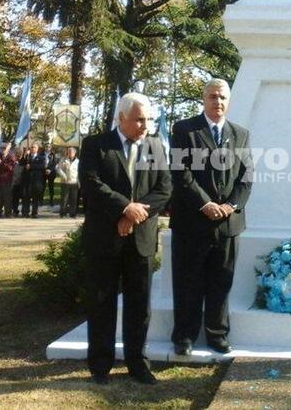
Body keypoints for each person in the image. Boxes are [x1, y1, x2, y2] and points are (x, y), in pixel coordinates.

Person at [79, 92, 171, 385]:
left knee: (139, 304)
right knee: (102, 301)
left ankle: (137, 363)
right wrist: (123, 207)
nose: (145, 125)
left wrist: (132, 215)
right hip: (104, 237)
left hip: (140, 239)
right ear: (121, 118)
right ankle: (100, 365)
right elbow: (91, 184)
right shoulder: (96, 145)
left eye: (148, 119)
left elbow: (165, 188)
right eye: (139, 119)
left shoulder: (156, 146)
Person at [169, 79, 253, 357]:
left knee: (221, 282)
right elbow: (181, 174)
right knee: (188, 281)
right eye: (213, 97)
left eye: (223, 97)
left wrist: (230, 206)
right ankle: (184, 336)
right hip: (192, 222)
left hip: (227, 224)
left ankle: (217, 334)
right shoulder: (184, 130)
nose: (218, 102)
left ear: (229, 101)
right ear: (203, 99)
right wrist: (205, 204)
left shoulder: (240, 134)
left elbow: (246, 177)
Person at [21, 143, 46, 218]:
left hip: (36, 180)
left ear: (37, 149)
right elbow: (21, 163)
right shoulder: (27, 157)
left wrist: (31, 166)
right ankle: (25, 212)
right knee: (26, 197)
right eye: (31, 147)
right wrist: (25, 156)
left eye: (34, 147)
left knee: (35, 198)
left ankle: (34, 213)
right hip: (27, 180)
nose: (32, 148)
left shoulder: (41, 157)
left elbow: (42, 166)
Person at [0, 143, 16, 217]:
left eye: (4, 148)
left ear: (8, 149)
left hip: (7, 180)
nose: (2, 150)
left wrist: (1, 162)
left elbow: (10, 168)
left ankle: (8, 213)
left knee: (7, 197)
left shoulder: (11, 157)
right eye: (1, 148)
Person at [57, 146, 79, 218]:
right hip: (65, 182)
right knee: (64, 199)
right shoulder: (63, 160)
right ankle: (63, 213)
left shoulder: (78, 161)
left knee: (74, 199)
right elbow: (59, 169)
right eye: (69, 152)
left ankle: (73, 214)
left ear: (74, 153)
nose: (70, 153)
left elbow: (79, 172)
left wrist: (79, 182)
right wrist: (64, 176)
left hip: (74, 182)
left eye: (72, 152)